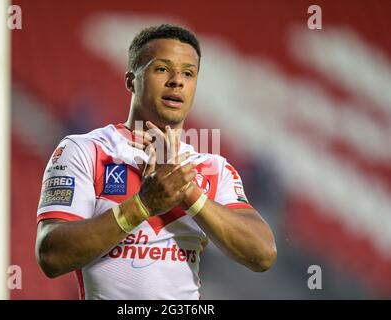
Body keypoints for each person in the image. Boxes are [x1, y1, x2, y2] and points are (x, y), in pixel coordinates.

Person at [35, 24, 277, 300]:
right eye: (162, 69)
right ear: (130, 81)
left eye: (188, 73)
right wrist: (143, 205)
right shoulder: (84, 150)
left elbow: (263, 254)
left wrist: (188, 193)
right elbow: (52, 256)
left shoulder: (213, 168)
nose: (177, 80)